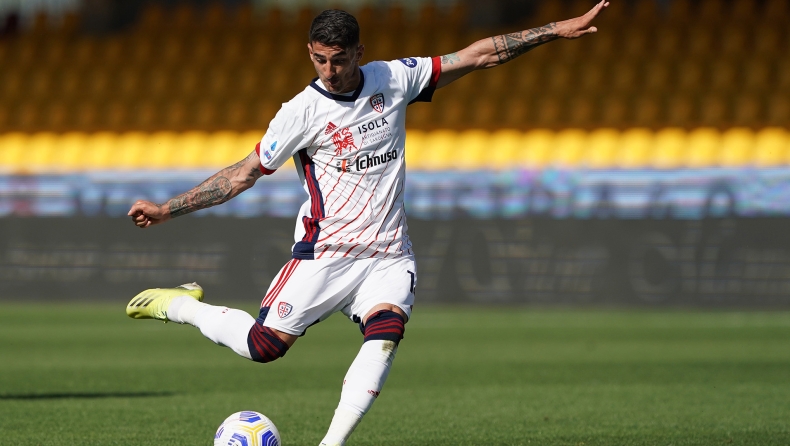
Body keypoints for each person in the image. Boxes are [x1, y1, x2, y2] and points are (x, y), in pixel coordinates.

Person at [125, 3, 609, 445]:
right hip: (326, 252)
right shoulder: (300, 113)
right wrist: (168, 209)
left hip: (388, 252)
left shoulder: (393, 78)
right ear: (310, 53)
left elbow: (476, 56)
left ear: (359, 52)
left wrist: (554, 29)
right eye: (320, 60)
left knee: (386, 333)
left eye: (339, 60)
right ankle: (182, 306)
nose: (329, 71)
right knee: (263, 347)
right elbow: (242, 175)